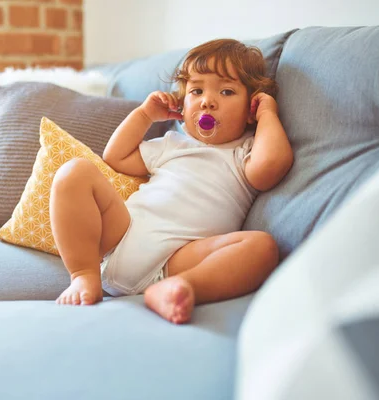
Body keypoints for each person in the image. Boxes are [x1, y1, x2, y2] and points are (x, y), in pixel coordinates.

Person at [49, 39, 293, 324]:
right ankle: (83, 275)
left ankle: (181, 288)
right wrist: (144, 115)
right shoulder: (172, 144)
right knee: (74, 172)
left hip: (179, 260)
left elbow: (270, 167)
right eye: (196, 91)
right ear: (182, 102)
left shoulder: (245, 152)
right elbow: (115, 157)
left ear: (249, 108)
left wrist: (267, 114)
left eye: (226, 91)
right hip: (123, 235)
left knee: (262, 248)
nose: (207, 101)